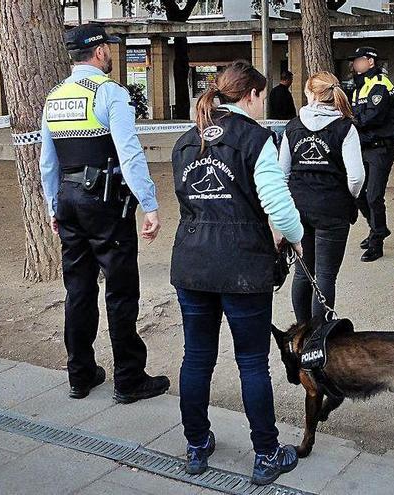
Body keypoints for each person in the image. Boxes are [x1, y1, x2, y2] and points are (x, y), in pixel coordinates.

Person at [170, 60, 302, 484]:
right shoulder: (256, 138)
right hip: (242, 263)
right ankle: (266, 452)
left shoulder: (187, 141)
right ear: (250, 96)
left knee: (197, 357)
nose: (263, 104)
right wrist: (296, 236)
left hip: (192, 262)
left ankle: (196, 444)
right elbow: (277, 203)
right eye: (261, 96)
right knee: (251, 362)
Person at [39, 24, 170, 403]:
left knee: (77, 288)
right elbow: (129, 155)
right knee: (121, 289)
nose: (111, 53)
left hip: (67, 199)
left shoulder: (54, 97)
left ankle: (80, 374)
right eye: (108, 48)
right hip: (105, 203)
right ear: (98, 53)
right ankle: (128, 378)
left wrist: (53, 205)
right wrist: (150, 205)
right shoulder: (109, 93)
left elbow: (48, 162)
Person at [279, 72, 365, 323]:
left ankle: (302, 331)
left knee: (303, 273)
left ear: (310, 93)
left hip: (298, 209)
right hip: (332, 210)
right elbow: (357, 177)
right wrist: (345, 197)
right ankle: (319, 335)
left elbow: (282, 173)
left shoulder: (292, 126)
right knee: (326, 276)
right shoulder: (345, 127)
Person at [349, 46, 394, 262]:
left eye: (359, 59)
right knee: (357, 193)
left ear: (370, 61)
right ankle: (377, 228)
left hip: (381, 147)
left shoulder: (380, 83)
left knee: (373, 195)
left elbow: (374, 117)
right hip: (363, 146)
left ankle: (376, 243)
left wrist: (351, 122)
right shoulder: (359, 87)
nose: (355, 63)